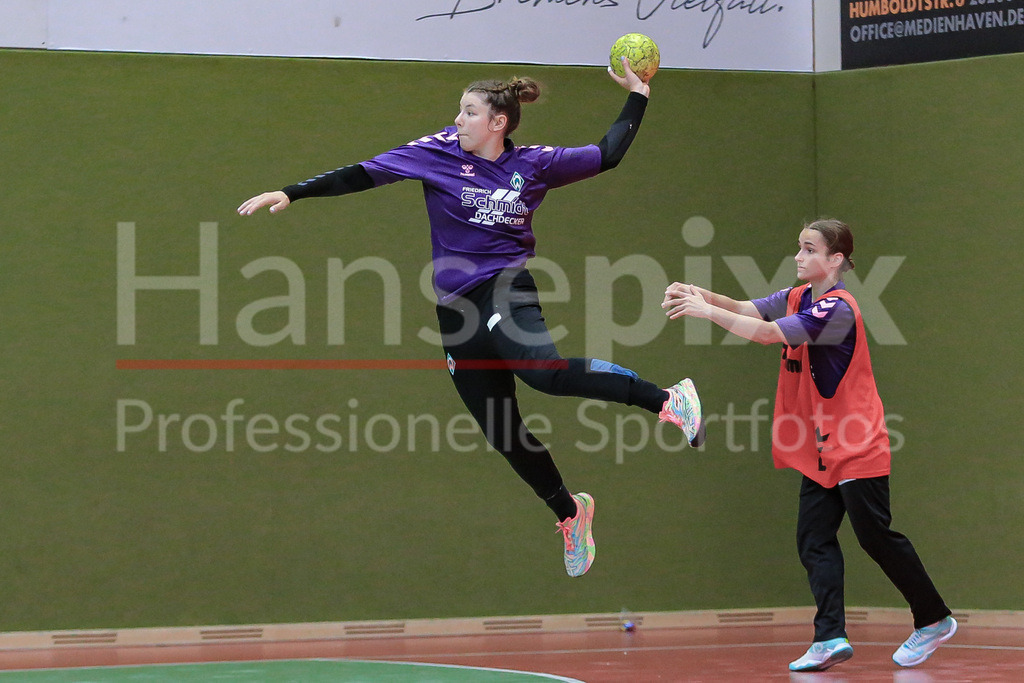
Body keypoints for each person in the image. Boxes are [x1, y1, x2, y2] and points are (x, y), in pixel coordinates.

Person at [238, 60, 704, 579]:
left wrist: (639, 92)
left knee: (543, 374)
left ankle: (667, 400)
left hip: (504, 286)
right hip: (455, 310)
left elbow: (609, 153)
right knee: (502, 428)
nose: (457, 120)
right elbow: (362, 173)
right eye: (459, 111)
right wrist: (292, 192)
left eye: (468, 112)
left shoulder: (536, 164)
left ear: (497, 122)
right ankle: (572, 513)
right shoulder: (435, 152)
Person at [661, 219, 955, 671]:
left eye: (808, 250)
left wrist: (706, 314)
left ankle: (934, 619)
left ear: (835, 259)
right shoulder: (799, 296)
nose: (798, 257)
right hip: (821, 448)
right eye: (798, 248)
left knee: (875, 537)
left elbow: (766, 334)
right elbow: (749, 309)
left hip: (857, 444)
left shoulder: (837, 310)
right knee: (813, 538)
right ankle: (830, 636)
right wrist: (702, 295)